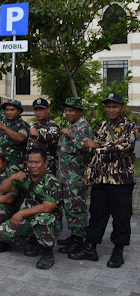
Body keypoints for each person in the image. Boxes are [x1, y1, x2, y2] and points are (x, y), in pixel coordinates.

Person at [69, 93, 136, 268]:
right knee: (97, 214)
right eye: (108, 106)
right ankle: (90, 247)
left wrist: (99, 147)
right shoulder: (100, 126)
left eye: (115, 106)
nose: (111, 109)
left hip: (121, 181)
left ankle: (118, 250)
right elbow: (93, 155)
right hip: (101, 179)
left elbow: (125, 145)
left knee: (121, 217)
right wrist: (88, 173)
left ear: (122, 108)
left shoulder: (130, 126)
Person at [0, 149, 62, 270]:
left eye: (37, 162)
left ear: (46, 163)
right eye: (30, 162)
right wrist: (12, 178)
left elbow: (48, 207)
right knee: (2, 232)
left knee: (41, 219)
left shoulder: (52, 181)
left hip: (49, 221)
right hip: (28, 219)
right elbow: (4, 189)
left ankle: (47, 253)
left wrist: (21, 213)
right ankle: (33, 241)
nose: (33, 165)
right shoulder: (24, 177)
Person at [55, 97, 93, 256]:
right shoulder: (72, 125)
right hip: (65, 176)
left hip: (76, 178)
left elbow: (88, 149)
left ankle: (79, 240)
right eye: (66, 110)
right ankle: (74, 236)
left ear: (79, 111)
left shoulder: (84, 127)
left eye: (71, 110)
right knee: (69, 208)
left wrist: (70, 136)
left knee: (77, 209)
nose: (67, 113)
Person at [27, 98, 61, 175]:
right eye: (36, 110)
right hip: (33, 167)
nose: (38, 112)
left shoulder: (53, 125)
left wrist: (38, 134)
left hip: (48, 167)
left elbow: (52, 138)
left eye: (41, 110)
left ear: (48, 110)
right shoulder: (34, 125)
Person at [0, 99, 29, 170]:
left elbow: (21, 138)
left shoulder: (23, 125)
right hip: (0, 163)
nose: (9, 112)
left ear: (19, 111)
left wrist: (4, 128)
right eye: (7, 110)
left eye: (12, 110)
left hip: (15, 164)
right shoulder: (0, 123)